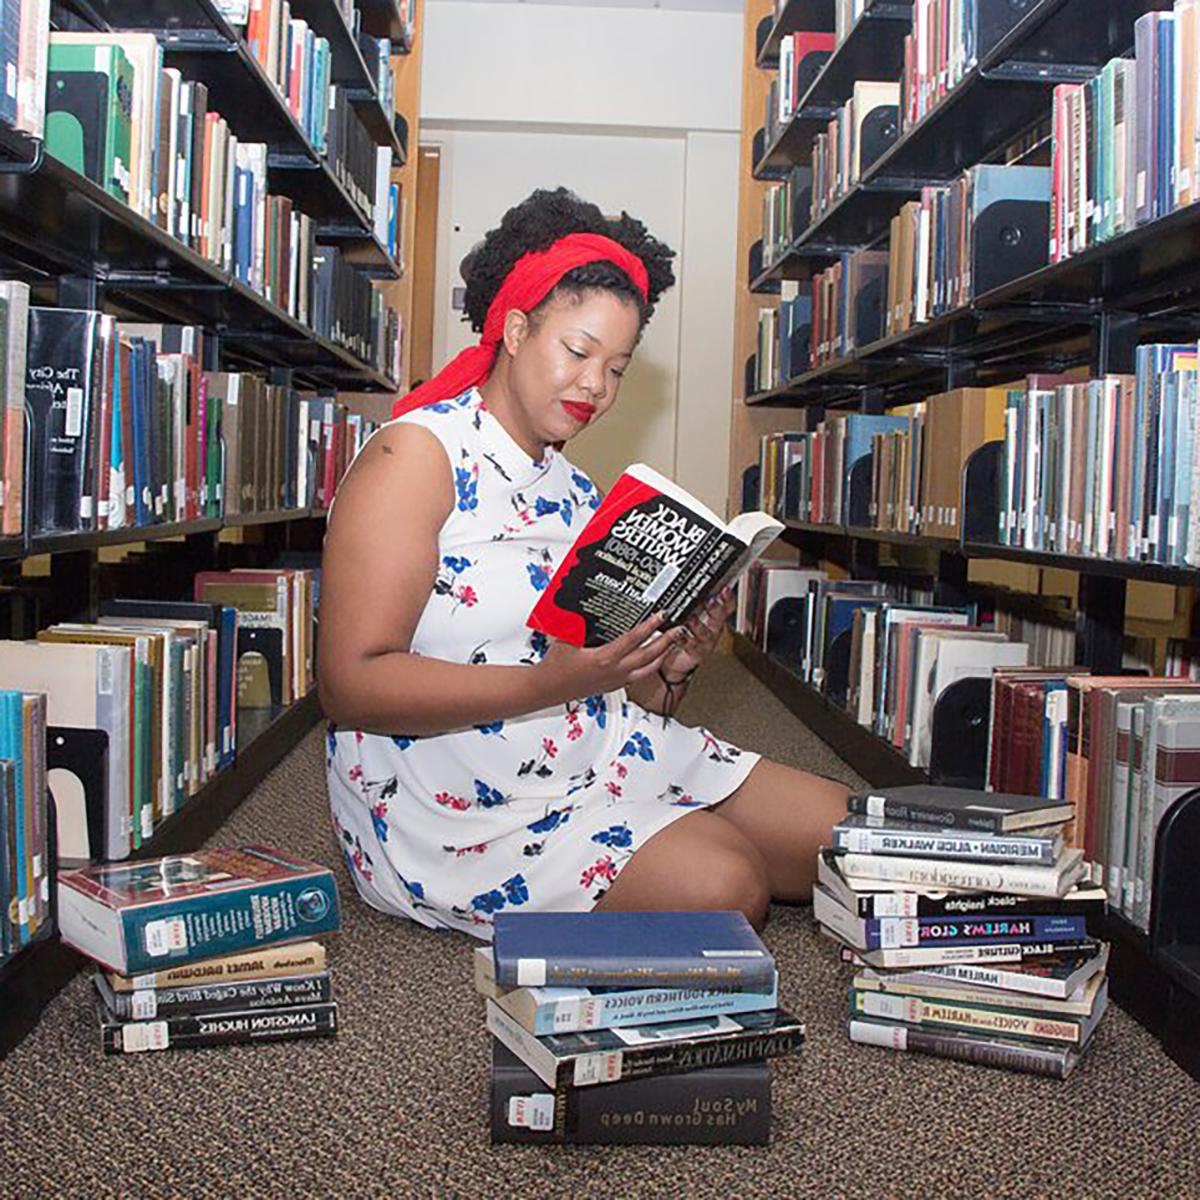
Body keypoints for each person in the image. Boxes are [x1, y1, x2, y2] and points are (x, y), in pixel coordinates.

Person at [318, 187, 848, 939]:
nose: (596, 386)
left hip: (593, 746)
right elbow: (350, 685)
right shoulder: (416, 456)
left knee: (852, 838)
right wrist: (553, 682)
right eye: (578, 352)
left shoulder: (576, 490)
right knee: (728, 882)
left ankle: (654, 829)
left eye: (619, 367)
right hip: (457, 800)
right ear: (514, 329)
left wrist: (670, 666)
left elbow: (604, 690)